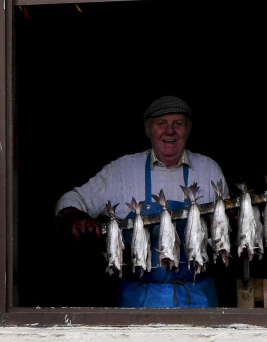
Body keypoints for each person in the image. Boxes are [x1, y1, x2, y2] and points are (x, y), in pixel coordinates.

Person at [56, 96, 226, 308]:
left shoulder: (209, 170)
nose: (170, 131)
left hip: (199, 298)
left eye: (178, 124)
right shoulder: (122, 171)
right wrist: (76, 216)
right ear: (147, 129)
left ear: (189, 128)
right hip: (139, 302)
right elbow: (70, 200)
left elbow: (225, 235)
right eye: (161, 124)